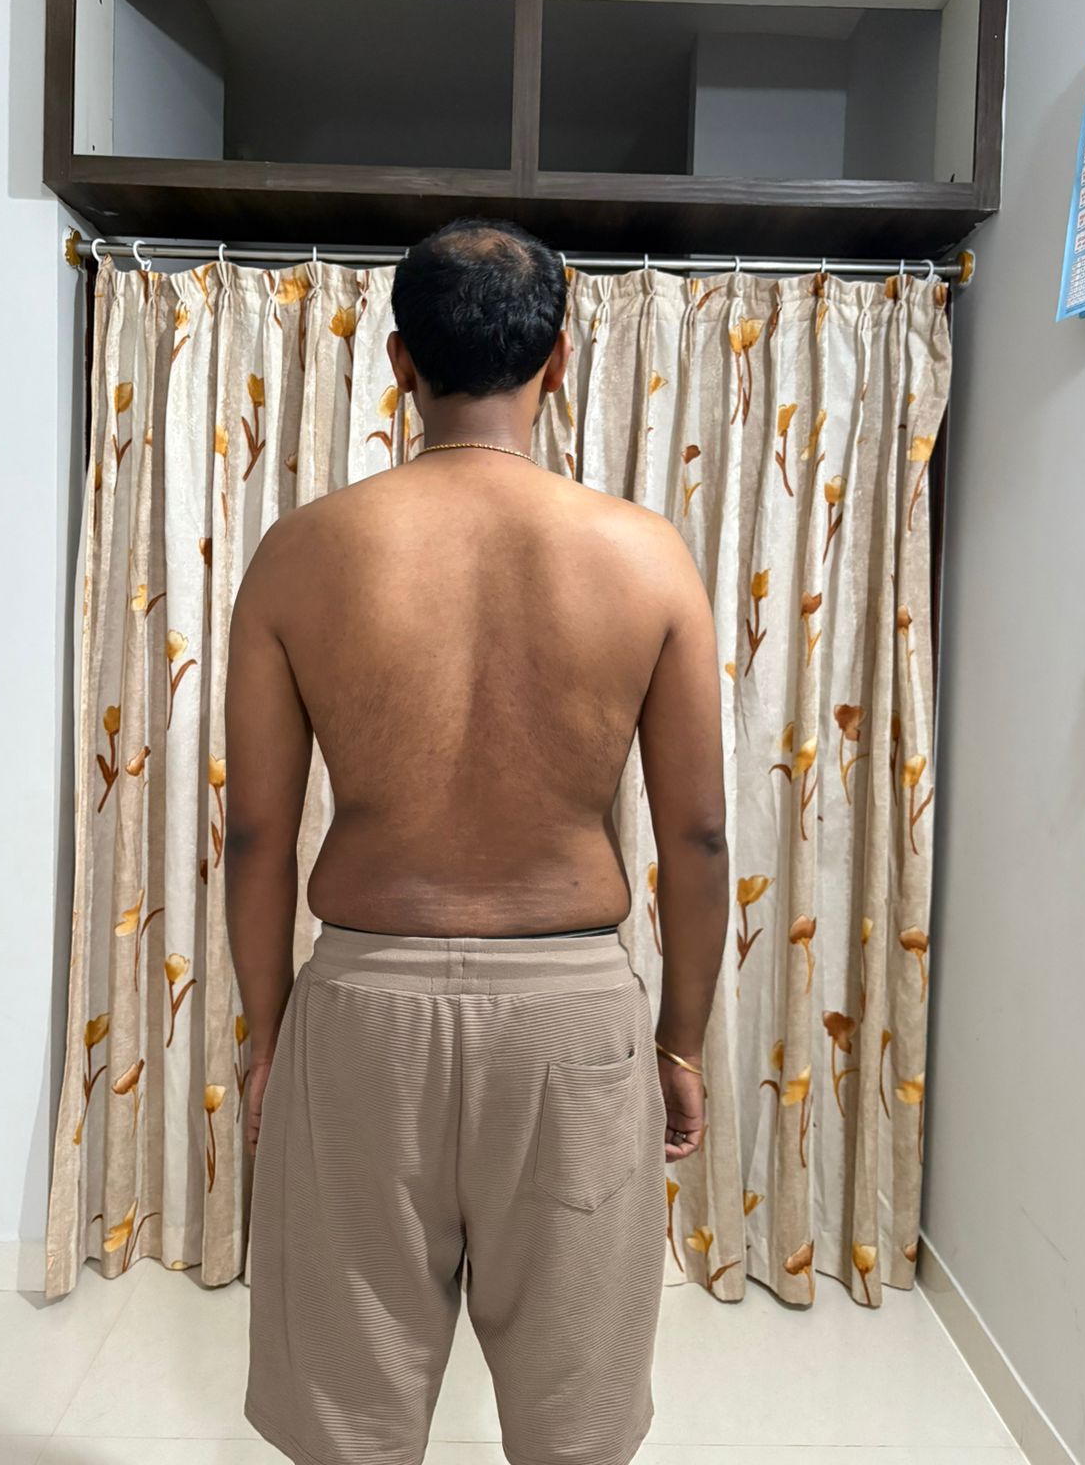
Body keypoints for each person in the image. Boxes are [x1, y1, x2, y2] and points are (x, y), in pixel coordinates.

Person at [225, 218, 729, 1465]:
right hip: (573, 1021)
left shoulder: (300, 554)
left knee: (348, 1421)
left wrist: (270, 1036)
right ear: (557, 360)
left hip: (364, 1012)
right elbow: (700, 837)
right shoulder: (645, 555)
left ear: (399, 360)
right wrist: (679, 1042)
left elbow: (256, 836)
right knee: (575, 1420)